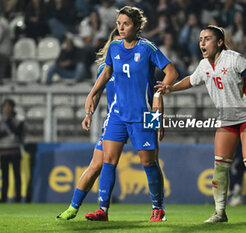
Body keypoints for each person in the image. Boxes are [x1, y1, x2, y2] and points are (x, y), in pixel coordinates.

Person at [156, 25, 246, 223]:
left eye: (207, 39)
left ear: (220, 42)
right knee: (220, 165)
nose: (202, 42)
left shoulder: (234, 59)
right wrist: (171, 89)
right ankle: (220, 213)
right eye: (201, 39)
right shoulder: (204, 65)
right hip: (227, 118)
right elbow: (191, 80)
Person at [83, 6, 178, 222]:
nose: (121, 27)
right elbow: (107, 72)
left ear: (137, 26)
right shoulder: (114, 47)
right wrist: (93, 92)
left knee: (149, 162)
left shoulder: (147, 48)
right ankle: (102, 210)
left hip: (144, 115)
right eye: (118, 23)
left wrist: (162, 90)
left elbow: (171, 72)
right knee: (108, 160)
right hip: (118, 114)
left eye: (125, 23)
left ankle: (158, 207)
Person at [56, 27, 120, 220]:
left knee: (148, 161)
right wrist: (89, 114)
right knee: (96, 164)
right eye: (115, 43)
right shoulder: (105, 68)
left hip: (137, 118)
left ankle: (157, 209)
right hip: (115, 120)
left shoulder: (139, 64)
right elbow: (96, 94)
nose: (119, 47)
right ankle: (74, 207)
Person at [0, 99, 25, 203]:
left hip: (15, 149)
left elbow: (18, 132)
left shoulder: (18, 119)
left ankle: (18, 197)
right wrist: (7, 132)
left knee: (17, 175)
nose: (7, 108)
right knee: (5, 176)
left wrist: (9, 121)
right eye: (5, 106)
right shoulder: (1, 119)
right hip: (3, 150)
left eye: (9, 106)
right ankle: (4, 197)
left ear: (13, 107)